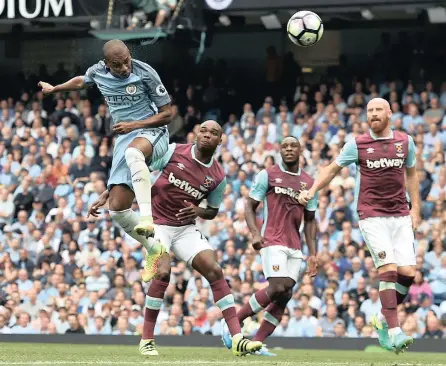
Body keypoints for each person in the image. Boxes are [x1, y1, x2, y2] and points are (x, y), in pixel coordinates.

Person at [88, 121, 262, 357]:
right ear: (196, 133)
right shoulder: (173, 151)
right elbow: (138, 170)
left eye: (213, 133)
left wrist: (198, 211)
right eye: (203, 130)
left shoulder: (218, 176)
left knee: (214, 269)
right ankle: (147, 340)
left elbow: (211, 211)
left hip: (184, 229)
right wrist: (109, 193)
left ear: (220, 141)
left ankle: (237, 337)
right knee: (162, 272)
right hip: (158, 224)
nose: (207, 135)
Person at [38, 39, 171, 275]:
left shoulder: (145, 73)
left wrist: (134, 124)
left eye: (127, 61)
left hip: (152, 131)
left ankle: (147, 219)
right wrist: (55, 89)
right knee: (117, 209)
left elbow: (167, 113)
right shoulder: (98, 72)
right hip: (126, 138)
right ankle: (154, 248)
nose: (125, 68)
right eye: (118, 65)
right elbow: (82, 81)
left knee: (134, 152)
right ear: (108, 64)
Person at [299, 98, 420, 354]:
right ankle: (395, 331)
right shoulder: (358, 144)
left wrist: (416, 210)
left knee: (408, 274)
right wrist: (312, 190)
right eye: (369, 111)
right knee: (387, 269)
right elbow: (332, 169)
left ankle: (381, 318)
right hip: (371, 214)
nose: (373, 115)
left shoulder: (405, 142)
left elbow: (412, 174)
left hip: (400, 214)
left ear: (389, 113)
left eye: (378, 110)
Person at [222, 136, 318, 356]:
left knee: (285, 295)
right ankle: (232, 323)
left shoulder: (309, 182)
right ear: (279, 150)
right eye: (285, 146)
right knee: (276, 287)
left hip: (295, 245)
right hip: (272, 239)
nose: (289, 149)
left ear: (300, 149)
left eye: (293, 145)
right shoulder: (268, 175)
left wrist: (313, 253)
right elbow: (249, 205)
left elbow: (311, 220)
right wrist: (255, 233)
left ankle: (256, 343)